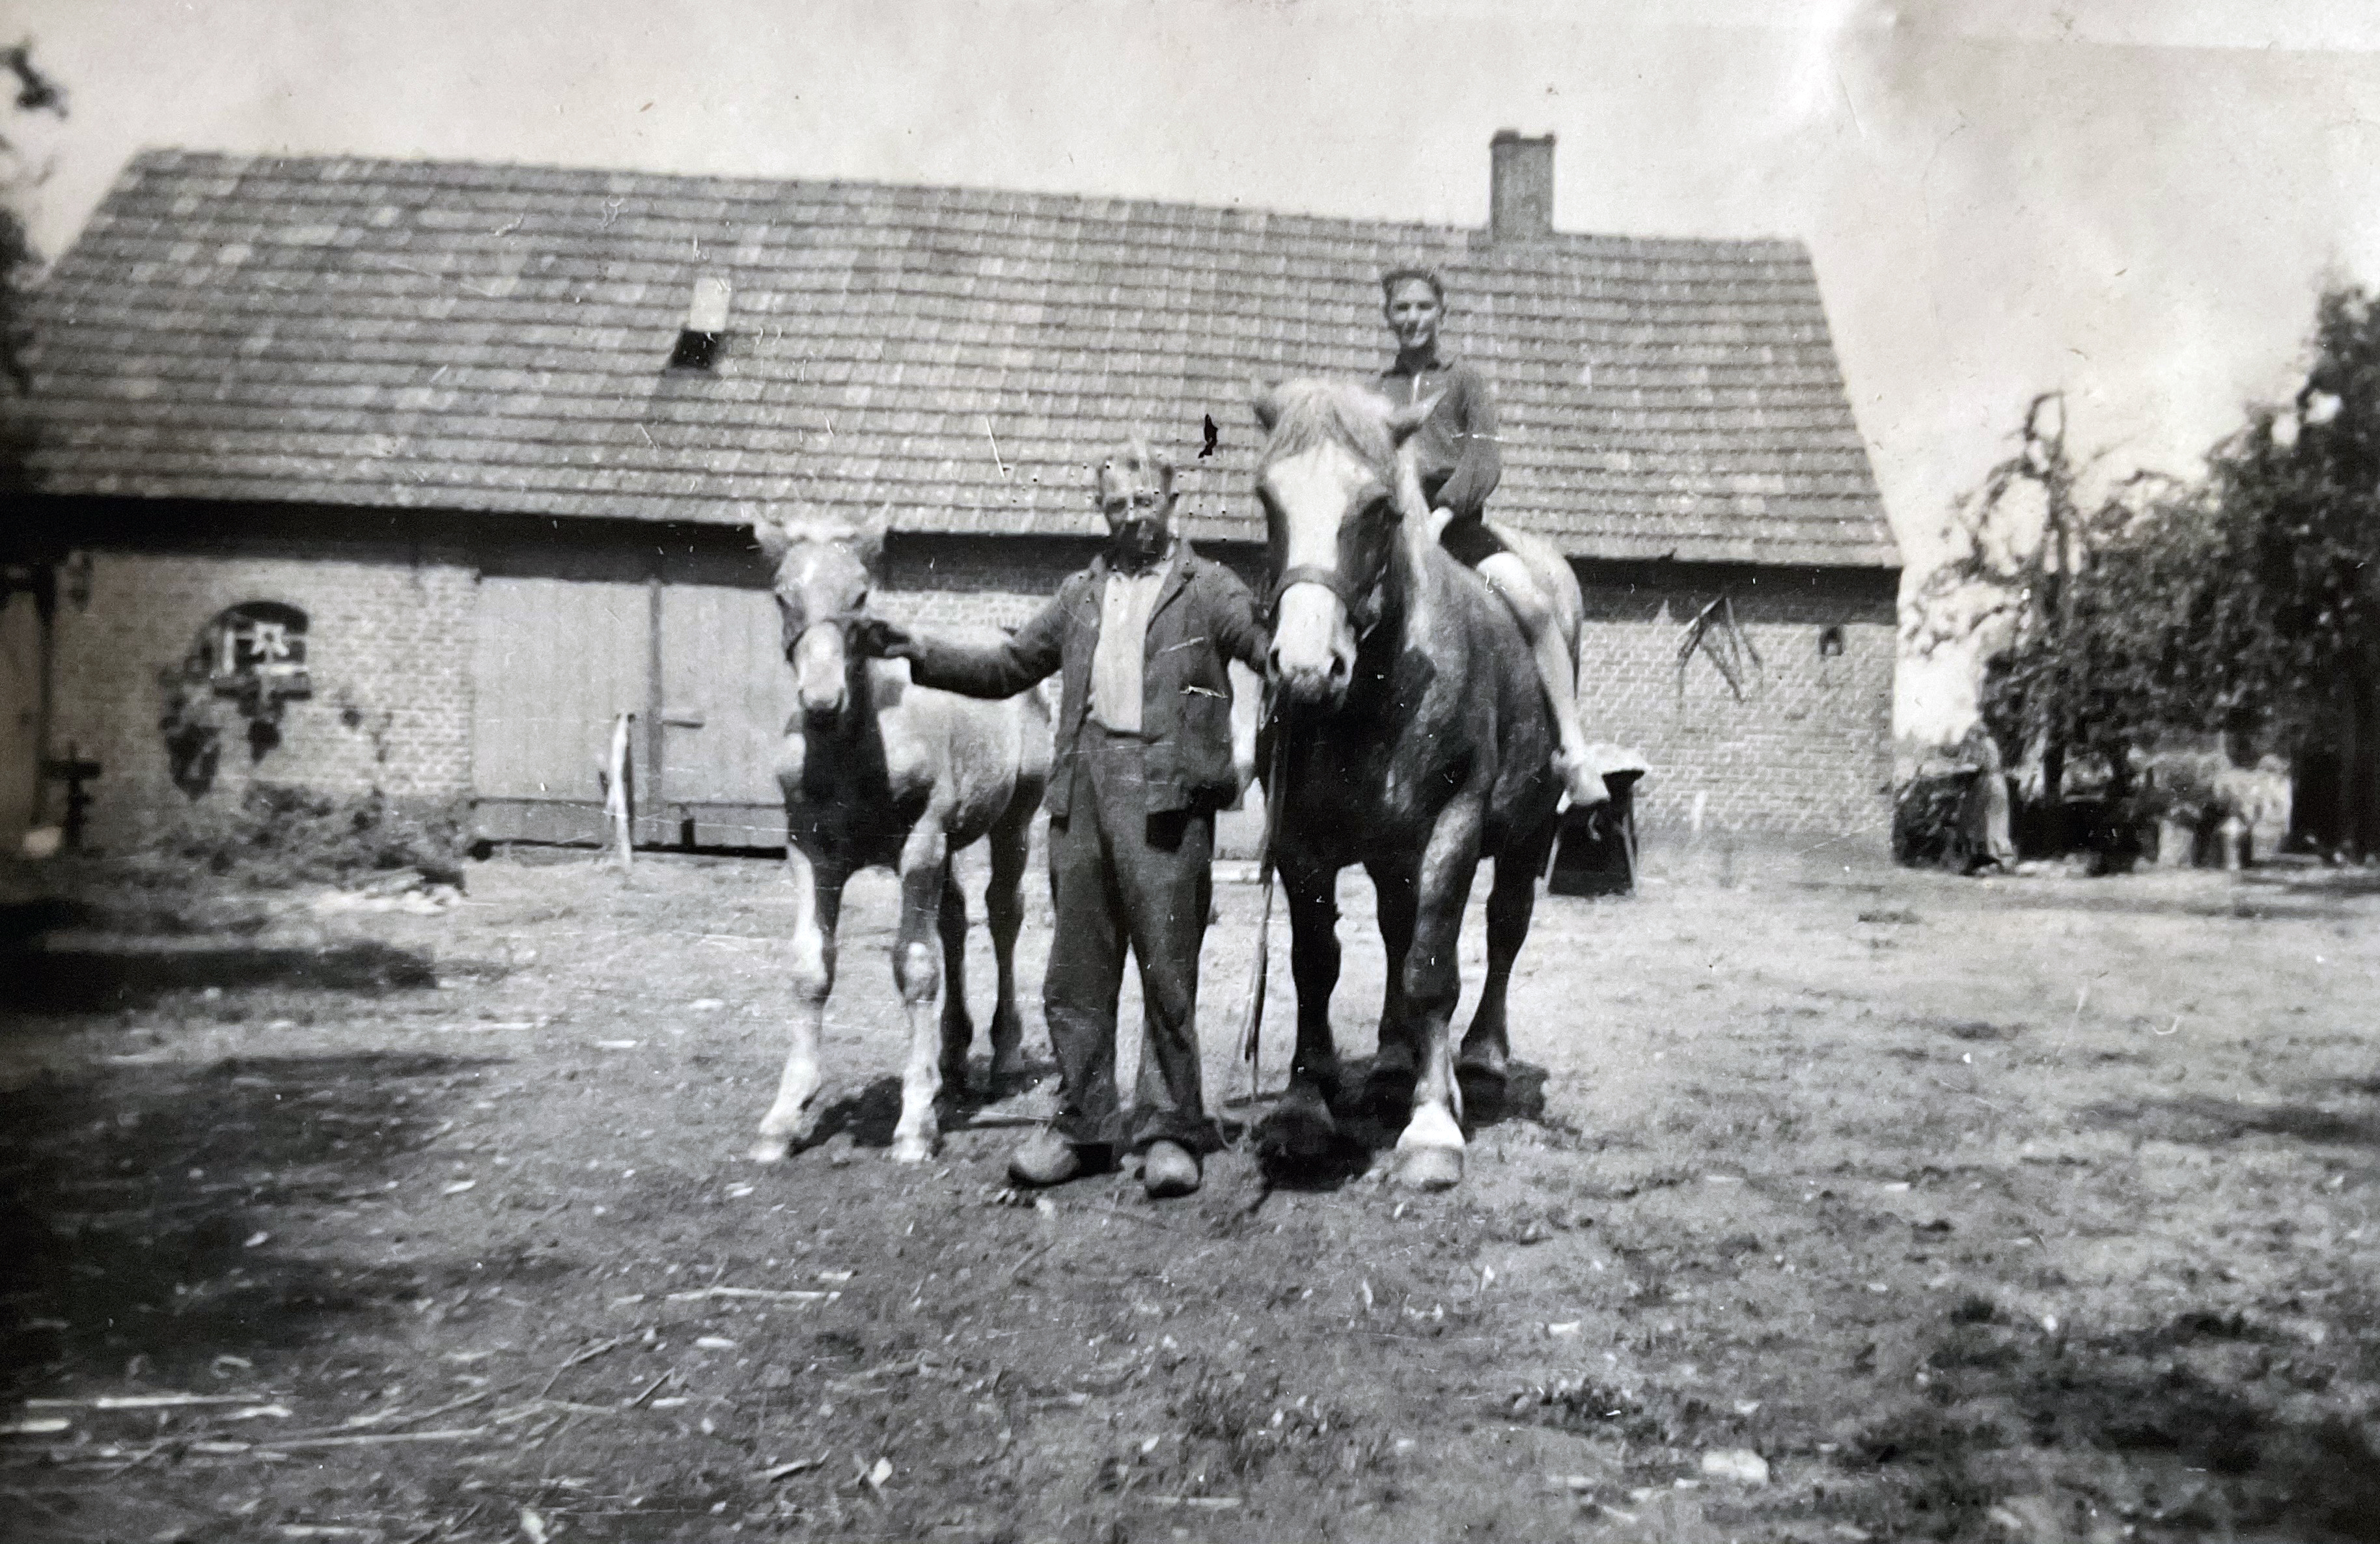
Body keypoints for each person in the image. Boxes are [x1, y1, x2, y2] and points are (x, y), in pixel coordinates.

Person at [853, 440, 1267, 1199]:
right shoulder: (1080, 592)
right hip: (1081, 792)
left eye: (1145, 501)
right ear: (1101, 512)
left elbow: (1263, 645)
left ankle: (1170, 1130)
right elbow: (1008, 665)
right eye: (1117, 505)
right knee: (1075, 971)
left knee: (1166, 969)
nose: (1132, 516)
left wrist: (1297, 656)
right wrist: (920, 651)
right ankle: (1083, 1125)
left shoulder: (1209, 588)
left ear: (1172, 505)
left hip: (1167, 795)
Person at [1376, 265, 1605, 808]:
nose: (1412, 318)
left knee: (1533, 605)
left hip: (1457, 529)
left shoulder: (1465, 381)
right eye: (1402, 308)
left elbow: (1483, 459)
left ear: (1442, 313)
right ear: (1387, 316)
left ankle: (1572, 748)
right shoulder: (1378, 391)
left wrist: (1442, 515)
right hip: (1396, 533)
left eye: (1423, 307)